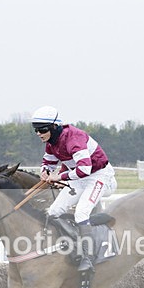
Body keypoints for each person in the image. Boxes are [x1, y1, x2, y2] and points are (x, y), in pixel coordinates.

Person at [31, 106, 118, 272]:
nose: (38, 133)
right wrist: (45, 172)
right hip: (80, 178)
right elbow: (48, 163)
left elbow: (85, 169)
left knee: (81, 213)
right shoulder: (51, 142)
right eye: (35, 130)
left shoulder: (74, 138)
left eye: (41, 129)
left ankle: (88, 257)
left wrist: (59, 177)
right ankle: (68, 248)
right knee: (54, 211)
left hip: (99, 176)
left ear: (53, 127)